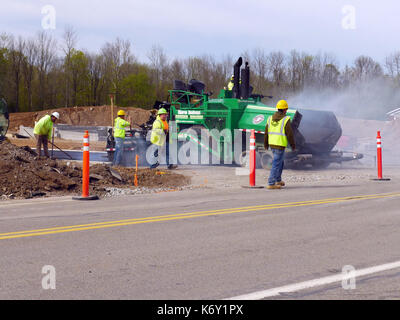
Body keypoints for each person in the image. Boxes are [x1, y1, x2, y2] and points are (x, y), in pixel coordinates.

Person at [264, 100, 296, 189]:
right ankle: (271, 183)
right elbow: (290, 134)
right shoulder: (286, 119)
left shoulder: (270, 118)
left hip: (272, 144)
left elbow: (266, 132)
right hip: (279, 145)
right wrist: (293, 145)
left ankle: (278, 180)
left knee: (280, 162)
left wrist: (266, 144)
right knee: (276, 164)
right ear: (285, 110)